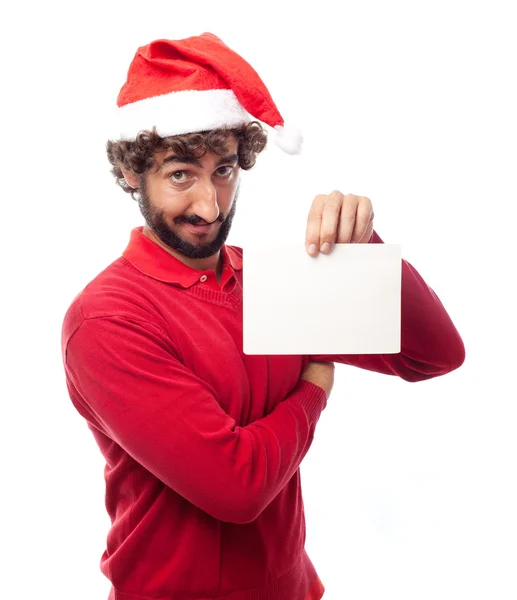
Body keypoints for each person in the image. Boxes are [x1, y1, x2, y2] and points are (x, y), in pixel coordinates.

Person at [60, 32, 465, 600]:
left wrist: (366, 246)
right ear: (132, 174)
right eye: (180, 174)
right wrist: (314, 388)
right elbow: (236, 487)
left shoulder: (267, 282)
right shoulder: (108, 319)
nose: (209, 206)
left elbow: (433, 355)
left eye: (223, 170)